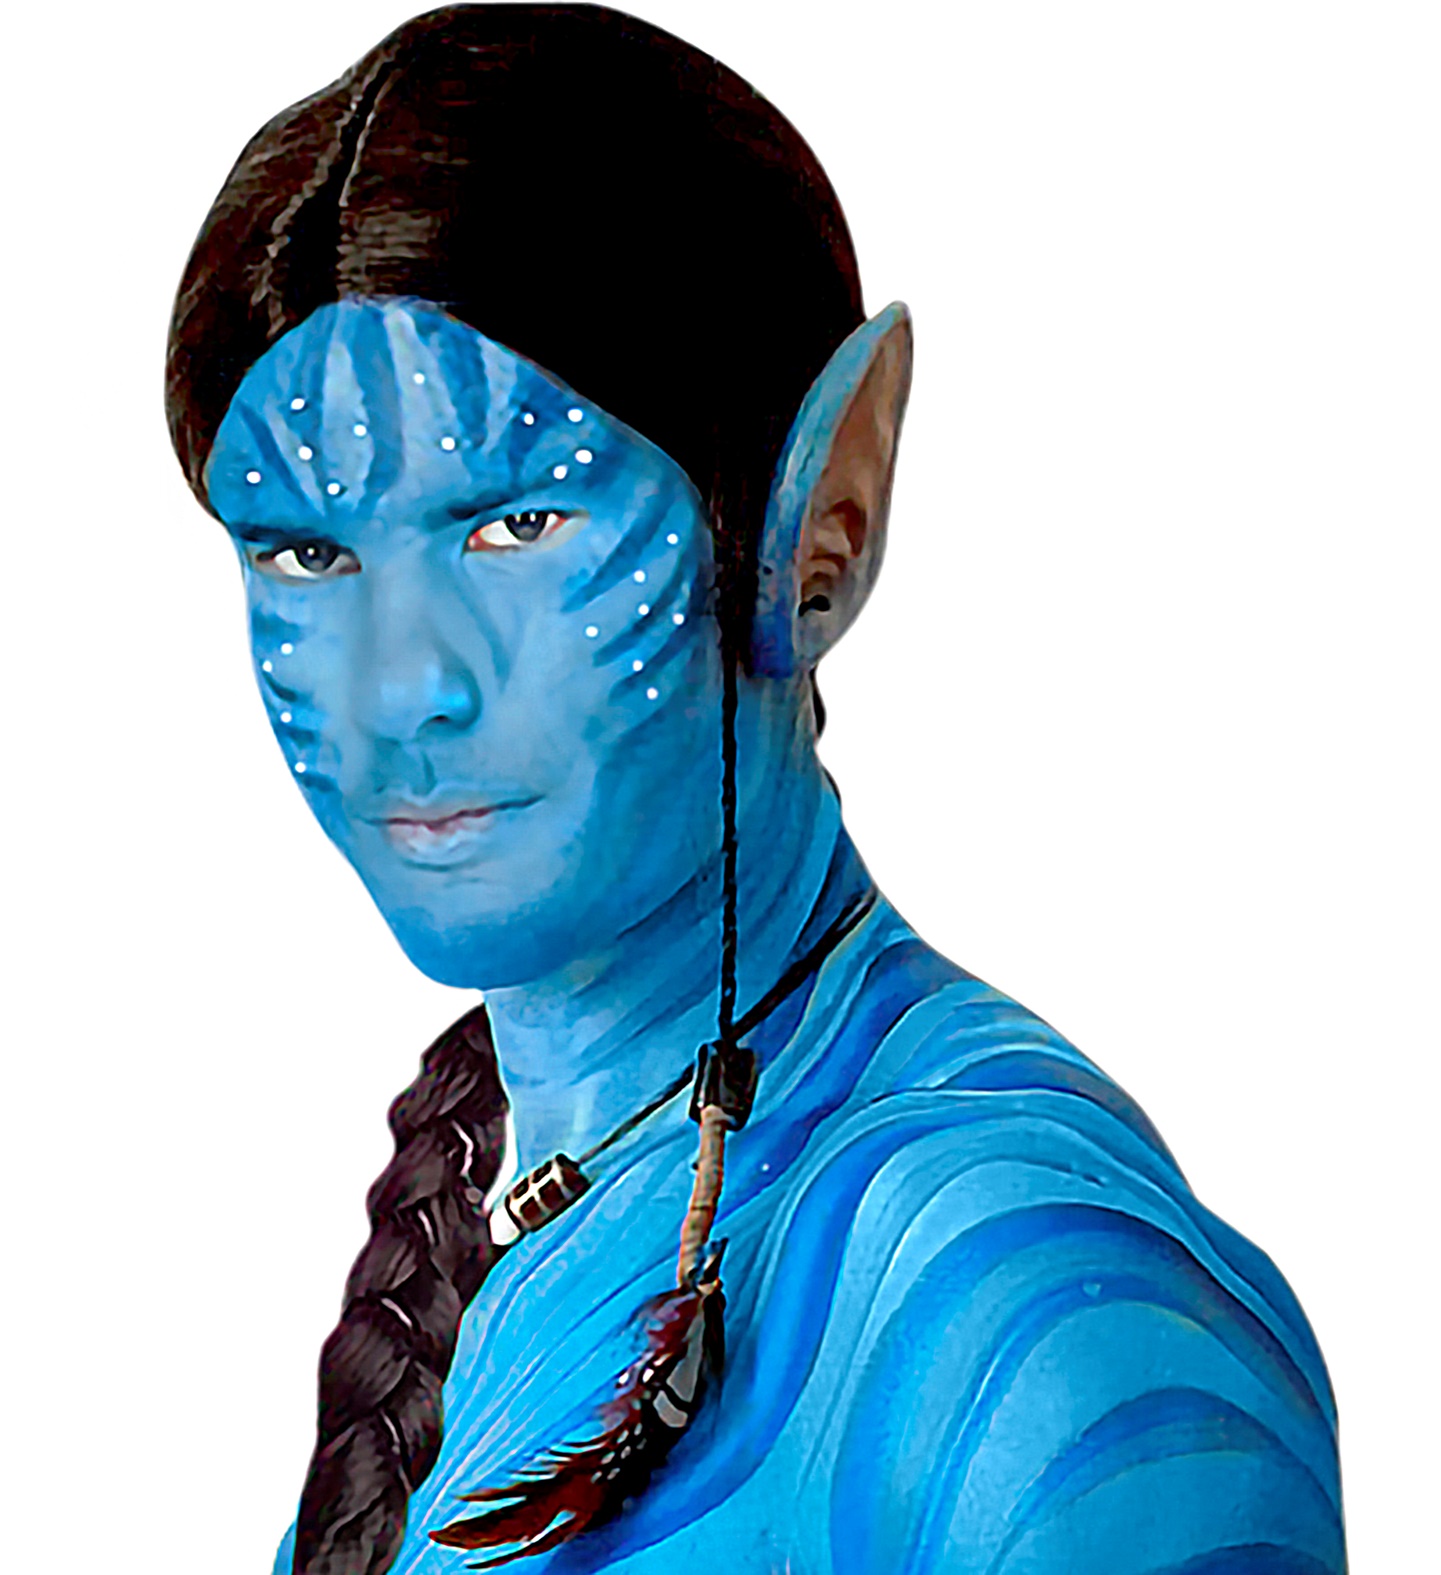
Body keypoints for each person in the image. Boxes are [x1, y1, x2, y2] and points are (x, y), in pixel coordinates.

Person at [166, 7, 1346, 1573]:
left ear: (818, 517)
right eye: (307, 553)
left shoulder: (1024, 1308)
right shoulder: (537, 1214)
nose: (402, 684)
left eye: (516, 524)